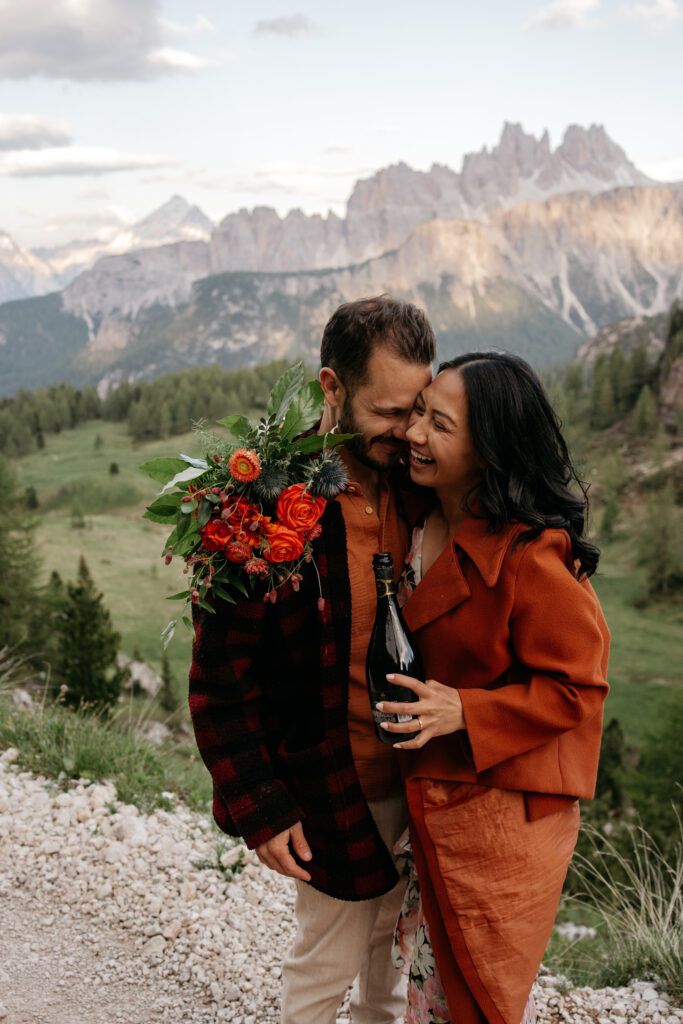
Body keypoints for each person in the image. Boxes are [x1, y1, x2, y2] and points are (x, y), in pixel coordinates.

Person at [188, 295, 436, 1024]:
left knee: (388, 970)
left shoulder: (416, 483)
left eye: (418, 408)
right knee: (322, 969)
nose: (408, 431)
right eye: (389, 411)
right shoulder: (259, 507)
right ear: (332, 390)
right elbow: (218, 684)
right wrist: (261, 809)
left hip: (418, 776)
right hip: (327, 781)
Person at [376, 352, 610, 1024]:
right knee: (430, 985)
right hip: (435, 795)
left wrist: (462, 709)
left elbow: (576, 689)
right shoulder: (417, 516)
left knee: (472, 997)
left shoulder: (530, 553)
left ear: (487, 451)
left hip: (501, 815)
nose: (414, 432)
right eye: (417, 411)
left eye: (438, 424)